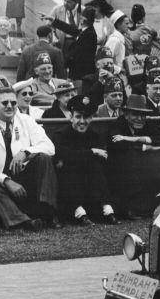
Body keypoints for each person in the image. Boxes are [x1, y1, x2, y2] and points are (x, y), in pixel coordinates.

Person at [0, 85, 60, 230]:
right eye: (5, 103)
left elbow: (49, 147)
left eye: (13, 103)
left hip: (24, 175)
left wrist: (26, 151)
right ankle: (23, 222)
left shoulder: (26, 120)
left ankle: (48, 212)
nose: (10, 106)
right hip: (0, 181)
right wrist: (7, 181)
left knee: (43, 158)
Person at [50, 95, 117, 224]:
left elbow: (103, 157)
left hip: (90, 183)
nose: (82, 121)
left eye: (86, 117)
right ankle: (78, 212)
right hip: (69, 185)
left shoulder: (94, 135)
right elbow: (64, 155)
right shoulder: (61, 135)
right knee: (68, 165)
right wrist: (91, 152)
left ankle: (106, 207)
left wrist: (85, 156)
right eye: (78, 117)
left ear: (91, 118)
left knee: (95, 165)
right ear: (71, 117)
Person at [106, 94, 160, 218]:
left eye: (143, 115)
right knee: (132, 158)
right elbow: (118, 145)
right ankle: (130, 208)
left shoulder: (147, 124)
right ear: (126, 115)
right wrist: (146, 147)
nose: (140, 118)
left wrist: (137, 141)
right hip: (120, 169)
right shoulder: (118, 124)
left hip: (142, 165)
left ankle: (159, 202)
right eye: (135, 114)